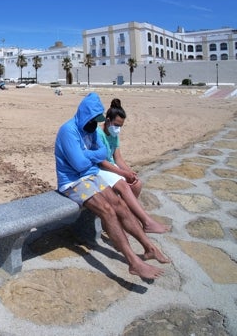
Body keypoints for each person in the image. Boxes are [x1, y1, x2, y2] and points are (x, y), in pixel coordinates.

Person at [54, 92, 169, 280]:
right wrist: (91, 156)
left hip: (90, 175)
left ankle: (149, 248)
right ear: (85, 115)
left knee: (120, 205)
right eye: (93, 119)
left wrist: (88, 156)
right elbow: (79, 164)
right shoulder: (68, 131)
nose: (94, 123)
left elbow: (102, 153)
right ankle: (134, 262)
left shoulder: (91, 129)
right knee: (107, 210)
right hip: (72, 181)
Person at [97, 99, 170, 233]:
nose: (118, 129)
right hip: (101, 168)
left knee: (136, 184)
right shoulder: (98, 134)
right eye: (116, 125)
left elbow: (118, 158)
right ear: (107, 120)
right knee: (124, 185)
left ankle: (125, 217)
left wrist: (129, 172)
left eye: (121, 126)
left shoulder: (114, 134)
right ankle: (147, 222)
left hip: (111, 166)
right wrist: (123, 174)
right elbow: (101, 161)